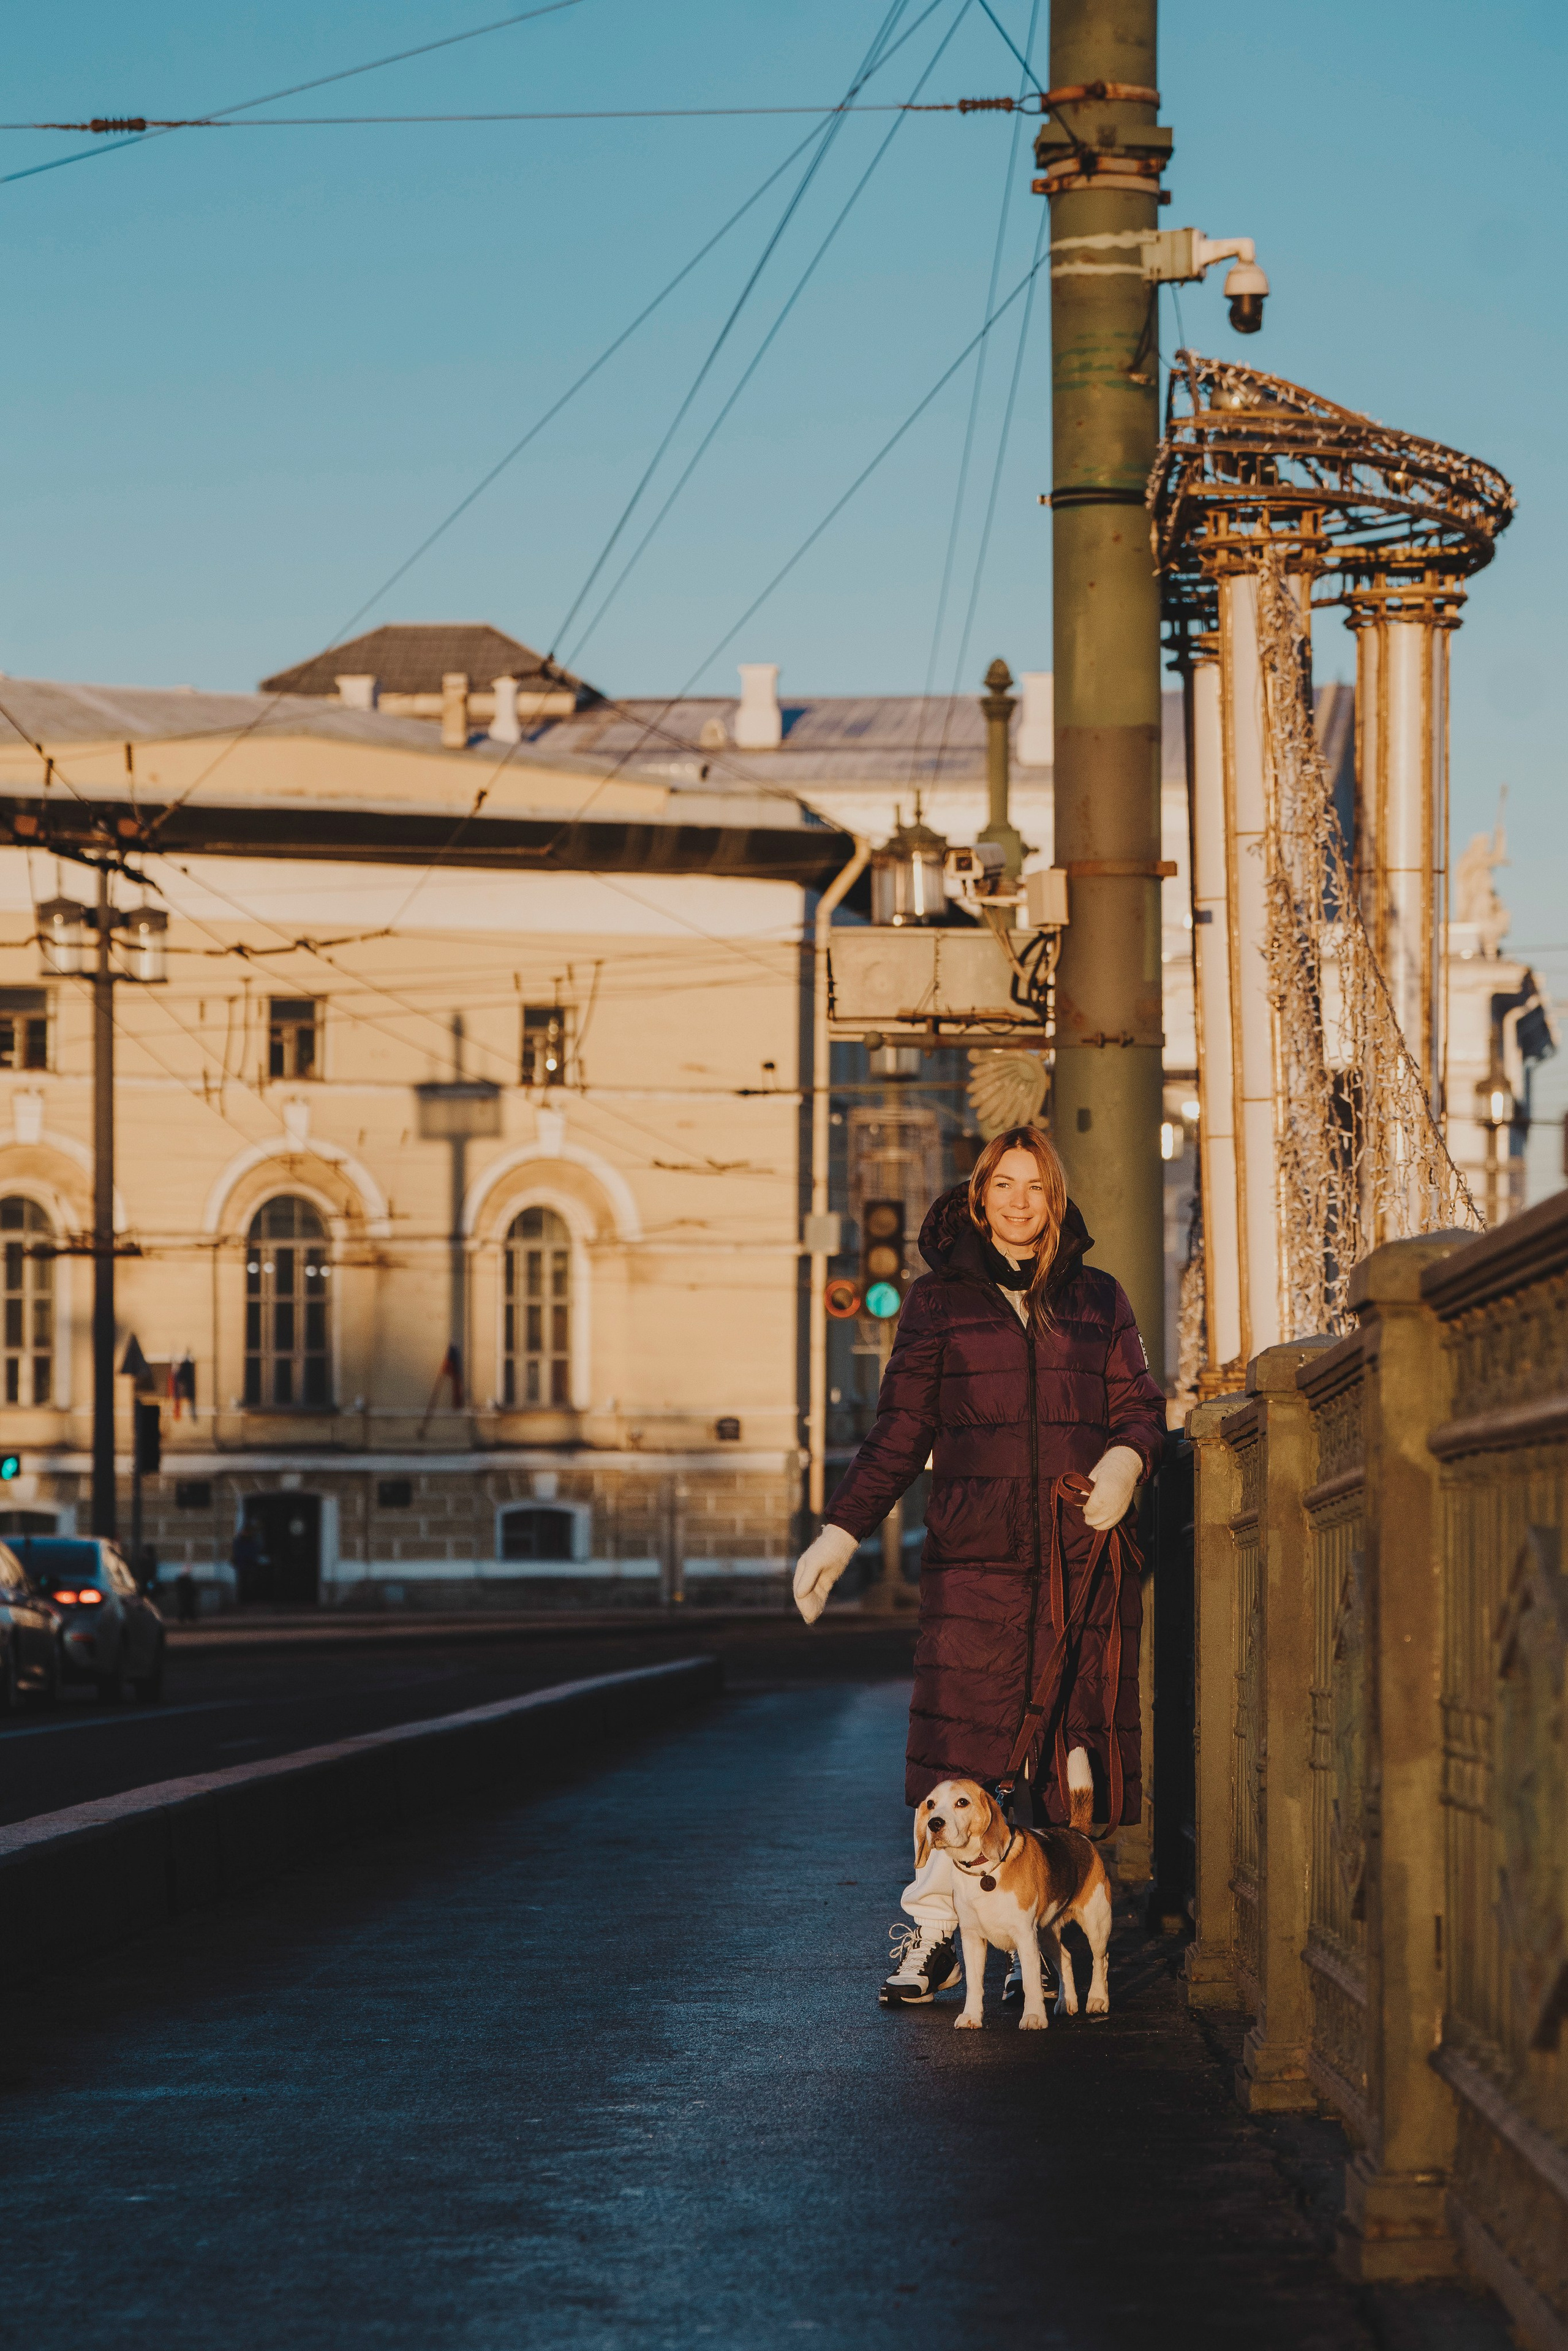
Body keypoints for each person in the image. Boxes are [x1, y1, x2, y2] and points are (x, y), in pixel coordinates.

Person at [792, 1126, 1167, 2007]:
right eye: (1004, 1184)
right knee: (955, 1765)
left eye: (1035, 1186)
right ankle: (932, 1934)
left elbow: (1139, 1408)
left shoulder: (1099, 1300)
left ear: (1057, 1198)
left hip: (1076, 1565)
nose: (1019, 1201)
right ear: (979, 1194)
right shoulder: (937, 1304)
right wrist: (841, 1532)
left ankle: (1028, 1931)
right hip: (974, 1568)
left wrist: (1125, 1462)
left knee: (1048, 1757)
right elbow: (901, 1432)